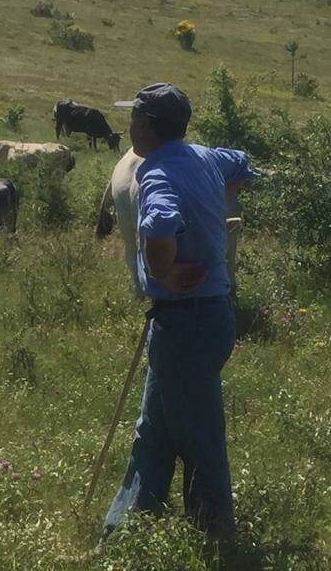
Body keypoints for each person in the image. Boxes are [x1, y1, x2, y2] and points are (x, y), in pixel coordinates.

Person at [100, 82, 256, 542]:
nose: (129, 126)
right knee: (155, 426)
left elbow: (161, 224)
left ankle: (214, 531)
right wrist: (209, 211)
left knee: (198, 431)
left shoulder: (157, 174)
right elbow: (242, 163)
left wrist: (163, 273)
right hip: (205, 316)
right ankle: (129, 523)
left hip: (187, 320)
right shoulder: (205, 157)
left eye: (133, 118)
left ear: (146, 125)